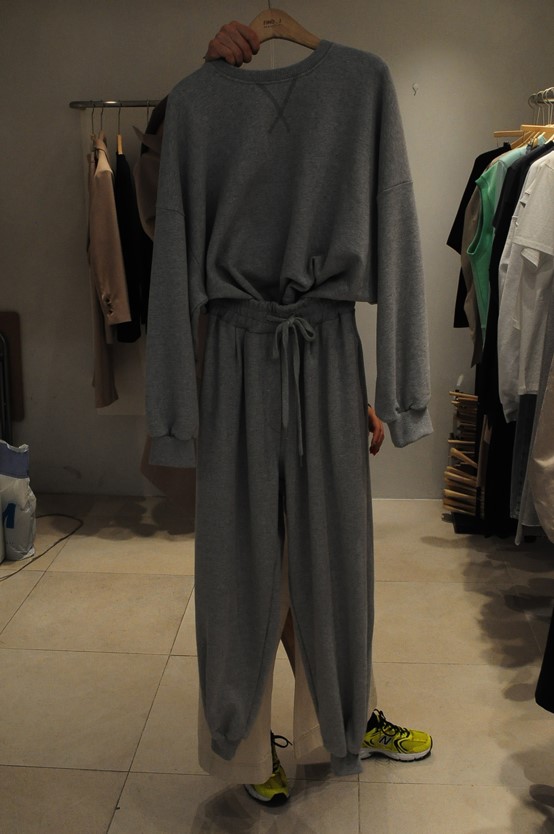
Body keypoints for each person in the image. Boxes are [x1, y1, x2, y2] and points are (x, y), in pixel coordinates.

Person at [198, 23, 432, 807]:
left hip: (324, 351)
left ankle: (345, 716)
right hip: (234, 357)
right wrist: (175, 410)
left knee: (330, 555)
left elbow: (394, 228)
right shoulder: (197, 102)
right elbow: (171, 232)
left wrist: (383, 391)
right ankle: (245, 743)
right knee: (246, 563)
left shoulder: (363, 85)